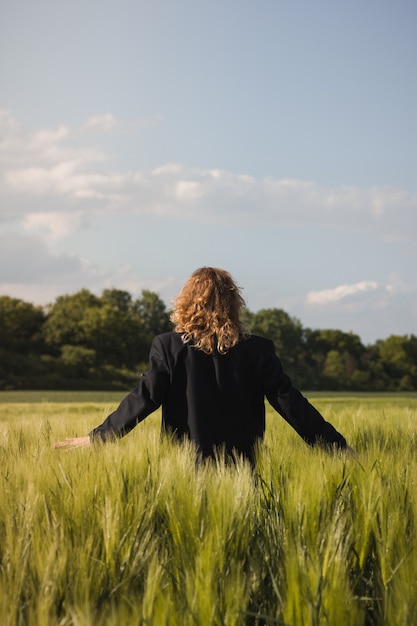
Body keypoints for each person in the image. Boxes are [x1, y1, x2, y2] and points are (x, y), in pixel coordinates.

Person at [54, 267, 352, 464]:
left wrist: (101, 437)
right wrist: (336, 447)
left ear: (186, 301)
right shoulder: (258, 350)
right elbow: (290, 403)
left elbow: (145, 396)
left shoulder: (168, 346)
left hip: (185, 470)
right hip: (242, 470)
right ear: (233, 303)